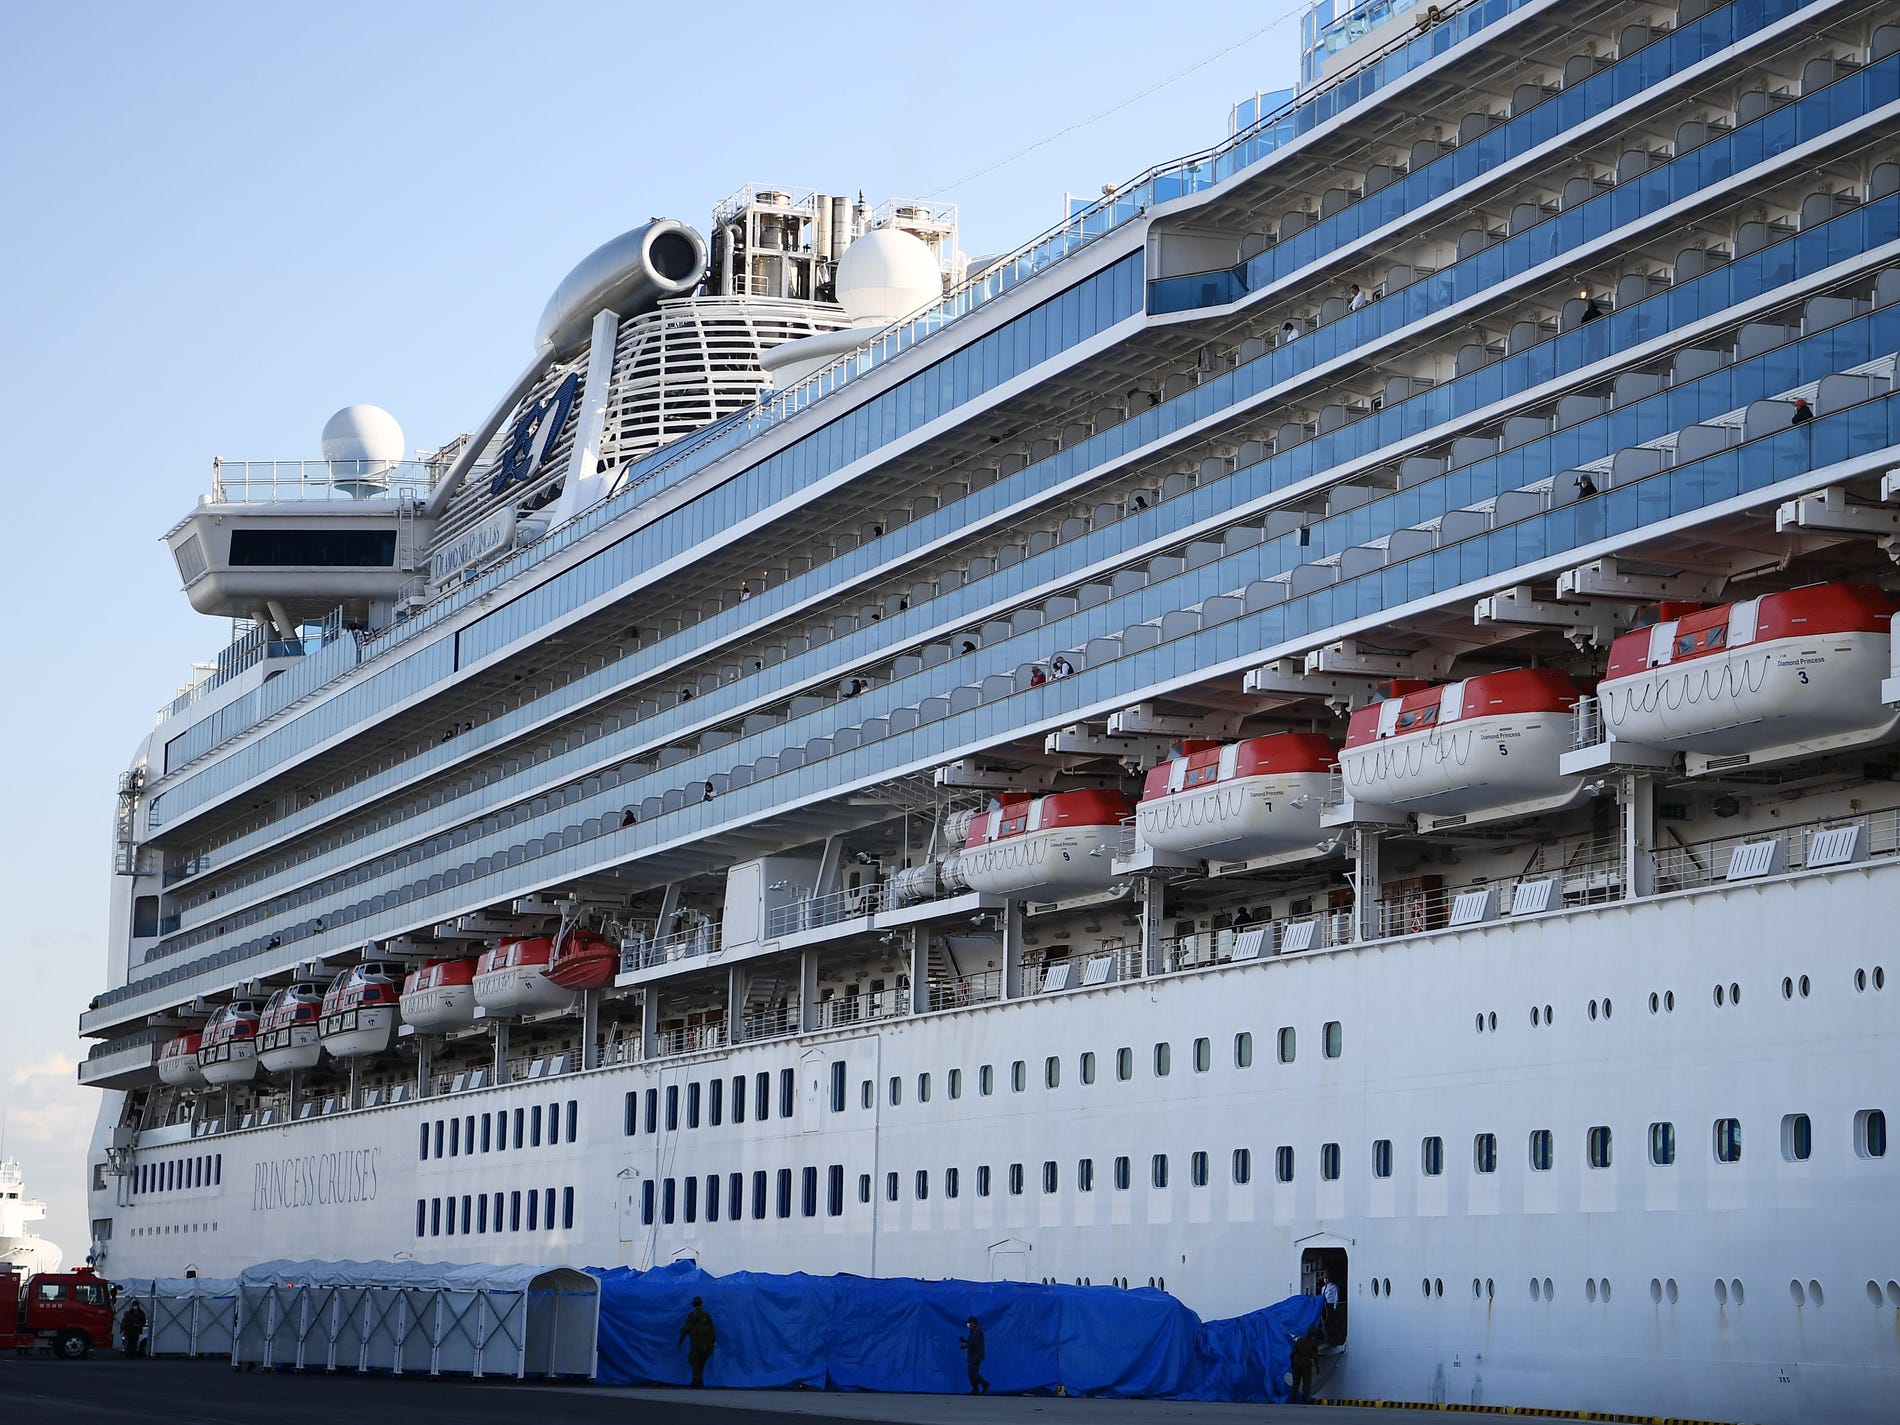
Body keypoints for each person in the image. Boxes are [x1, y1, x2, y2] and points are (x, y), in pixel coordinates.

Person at [678, 1297, 716, 1388]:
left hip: (696, 1344)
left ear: (693, 1305)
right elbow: (712, 1330)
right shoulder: (706, 1315)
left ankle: (696, 1380)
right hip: (705, 1344)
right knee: (701, 1362)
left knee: (694, 1362)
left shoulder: (692, 1315)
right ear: (701, 1304)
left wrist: (680, 1341)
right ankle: (699, 1380)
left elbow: (686, 1329)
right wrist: (713, 1342)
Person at [959, 1315, 990, 1394]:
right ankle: (975, 1389)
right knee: (971, 1373)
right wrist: (965, 1342)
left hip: (976, 1355)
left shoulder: (977, 1331)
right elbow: (971, 1342)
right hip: (973, 1355)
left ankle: (984, 1384)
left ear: (974, 1323)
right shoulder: (973, 1331)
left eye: (969, 1324)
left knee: (972, 1373)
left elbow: (974, 1343)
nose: (968, 1325)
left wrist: (965, 1345)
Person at [1289, 1323, 1321, 1401]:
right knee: (1306, 1383)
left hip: (1298, 1364)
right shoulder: (1314, 1343)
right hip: (1306, 1364)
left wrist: (1292, 1364)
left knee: (1296, 1383)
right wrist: (1317, 1367)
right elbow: (1315, 1357)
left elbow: (1292, 1354)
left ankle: (1293, 1399)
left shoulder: (1299, 1341)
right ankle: (1305, 1399)